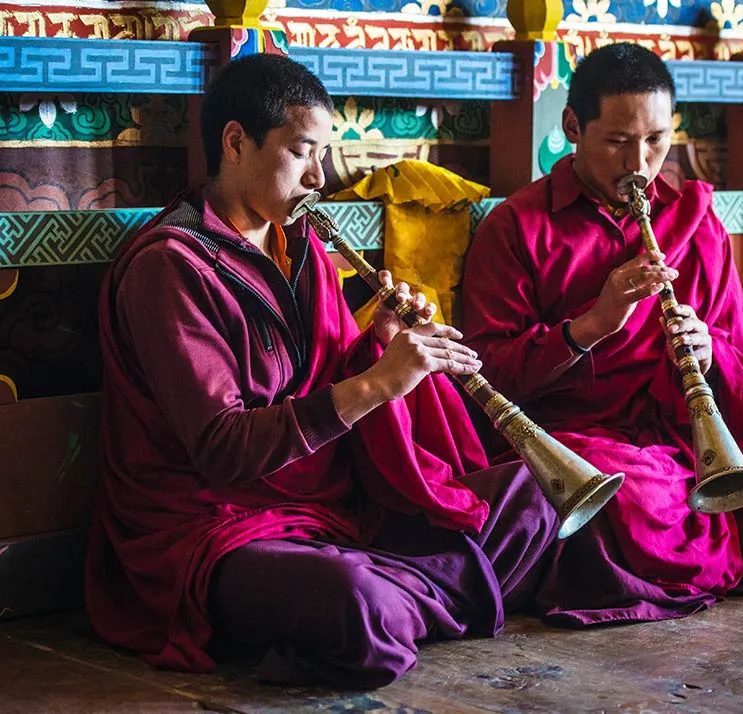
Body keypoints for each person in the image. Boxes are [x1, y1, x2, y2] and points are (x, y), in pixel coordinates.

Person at [86, 52, 559, 689]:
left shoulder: (300, 242)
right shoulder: (169, 267)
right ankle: (416, 596)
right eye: (303, 152)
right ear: (235, 142)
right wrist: (377, 383)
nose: (320, 176)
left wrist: (385, 344)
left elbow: (332, 369)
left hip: (327, 506)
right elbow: (222, 450)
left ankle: (402, 602)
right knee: (355, 599)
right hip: (213, 526)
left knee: (533, 497)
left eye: (325, 154)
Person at [460, 42, 743, 625]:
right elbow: (488, 376)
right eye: (619, 142)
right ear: (573, 125)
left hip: (696, 440)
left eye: (656, 141)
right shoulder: (517, 227)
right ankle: (689, 544)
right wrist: (592, 326)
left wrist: (708, 349)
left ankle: (683, 549)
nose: (640, 164)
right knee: (633, 501)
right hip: (588, 440)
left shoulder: (695, 220)